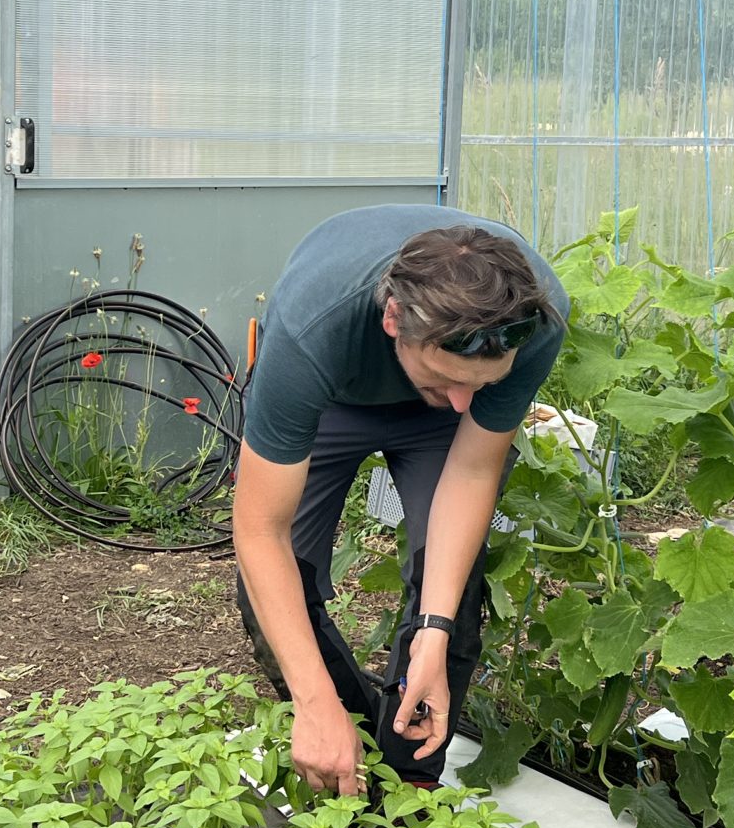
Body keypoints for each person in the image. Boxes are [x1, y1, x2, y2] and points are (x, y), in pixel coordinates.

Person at [235, 206, 567, 797]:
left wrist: (433, 634)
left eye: (483, 384)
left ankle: (410, 785)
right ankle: (343, 744)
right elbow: (261, 531)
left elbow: (470, 470)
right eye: (449, 377)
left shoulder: (533, 323)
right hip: (335, 397)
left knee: (450, 588)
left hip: (431, 427)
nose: (466, 401)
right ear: (393, 318)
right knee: (273, 592)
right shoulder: (315, 323)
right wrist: (315, 702)